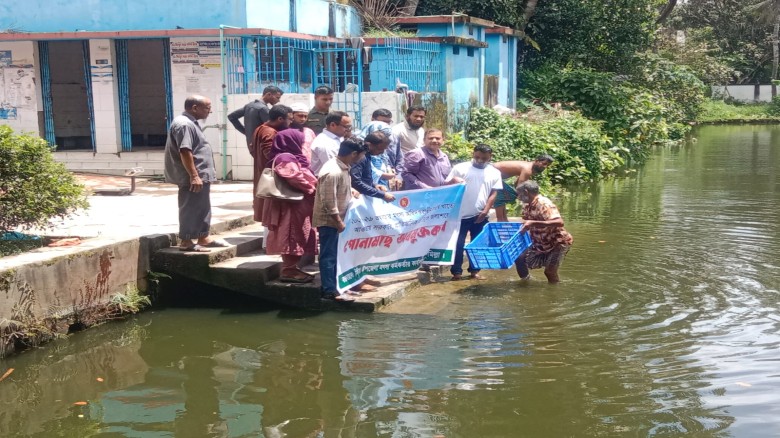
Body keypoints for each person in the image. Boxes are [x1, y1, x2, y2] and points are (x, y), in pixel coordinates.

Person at [164, 95, 229, 252]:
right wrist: (194, 176)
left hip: (200, 175)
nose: (210, 111)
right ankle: (186, 241)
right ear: (194, 108)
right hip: (192, 176)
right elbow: (185, 151)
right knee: (190, 206)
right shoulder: (184, 124)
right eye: (207, 108)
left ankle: (203, 237)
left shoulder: (190, 123)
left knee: (202, 206)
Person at [312, 137, 369, 302]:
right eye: (361, 155)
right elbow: (329, 202)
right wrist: (338, 222)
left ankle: (338, 287)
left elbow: (338, 189)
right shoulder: (333, 171)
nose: (362, 158)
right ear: (353, 154)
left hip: (340, 219)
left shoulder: (343, 167)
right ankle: (329, 291)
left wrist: (351, 190)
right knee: (328, 255)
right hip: (330, 221)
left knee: (338, 254)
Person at [261, 129, 319, 283]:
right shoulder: (285, 157)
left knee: (300, 233)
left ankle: (292, 268)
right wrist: (311, 187)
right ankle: (288, 270)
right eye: (299, 141)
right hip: (291, 206)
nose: (302, 143)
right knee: (292, 234)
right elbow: (292, 175)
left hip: (298, 204)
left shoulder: (292, 156)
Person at [446, 144, 503, 281]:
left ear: (490, 157)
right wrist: (453, 181)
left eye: (484, 158)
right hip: (459, 215)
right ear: (473, 154)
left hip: (480, 215)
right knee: (458, 244)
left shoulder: (494, 172)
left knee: (477, 244)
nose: (480, 160)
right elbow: (447, 185)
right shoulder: (460, 168)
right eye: (477, 157)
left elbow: (494, 193)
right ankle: (456, 273)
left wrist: (486, 210)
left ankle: (474, 271)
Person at [514, 180, 573, 283]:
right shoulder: (527, 205)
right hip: (540, 242)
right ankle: (526, 284)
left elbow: (559, 222)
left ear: (526, 192)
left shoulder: (544, 203)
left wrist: (533, 223)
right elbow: (526, 221)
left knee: (549, 272)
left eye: (519, 194)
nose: (518, 197)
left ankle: (554, 293)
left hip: (557, 242)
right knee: (519, 258)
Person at [250, 104, 292, 222]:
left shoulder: (260, 128)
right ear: (280, 119)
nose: (290, 122)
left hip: (262, 173)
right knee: (271, 213)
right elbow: (271, 155)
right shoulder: (270, 132)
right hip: (270, 176)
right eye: (289, 119)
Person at [492, 155, 554, 222]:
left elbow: (517, 183)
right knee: (505, 196)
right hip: (490, 173)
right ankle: (500, 220)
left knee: (507, 195)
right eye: (544, 163)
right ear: (536, 161)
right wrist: (527, 201)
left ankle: (504, 220)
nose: (545, 167)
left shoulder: (529, 167)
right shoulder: (528, 169)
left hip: (495, 176)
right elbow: (520, 187)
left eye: (547, 165)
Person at [350, 131, 396, 203]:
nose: (382, 152)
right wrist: (381, 195)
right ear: (369, 144)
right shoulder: (360, 157)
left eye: (384, 149)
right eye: (380, 149)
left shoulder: (367, 156)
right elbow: (356, 182)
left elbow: (364, 179)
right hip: (356, 199)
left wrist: (374, 186)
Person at [310, 111, 352, 175]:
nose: (348, 130)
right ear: (333, 125)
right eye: (346, 127)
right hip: (328, 180)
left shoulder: (339, 137)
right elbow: (334, 167)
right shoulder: (324, 143)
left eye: (349, 127)